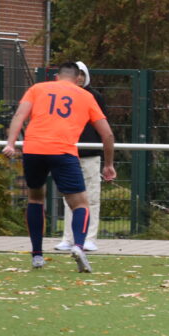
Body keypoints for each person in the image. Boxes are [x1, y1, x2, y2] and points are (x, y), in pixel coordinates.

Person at [3, 61, 116, 271]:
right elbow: (107, 134)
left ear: (57, 76)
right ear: (78, 79)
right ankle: (79, 246)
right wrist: (108, 164)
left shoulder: (37, 89)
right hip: (63, 151)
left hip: (33, 149)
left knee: (35, 198)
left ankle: (37, 255)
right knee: (80, 204)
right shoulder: (85, 96)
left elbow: (19, 115)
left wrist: (10, 143)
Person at [55, 61, 109, 254]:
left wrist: (105, 155)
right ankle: (68, 238)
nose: (78, 79)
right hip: (68, 152)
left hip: (90, 154)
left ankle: (89, 238)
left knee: (91, 196)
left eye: (82, 75)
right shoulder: (62, 96)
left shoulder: (94, 96)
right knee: (69, 197)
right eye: (75, 74)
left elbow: (103, 126)